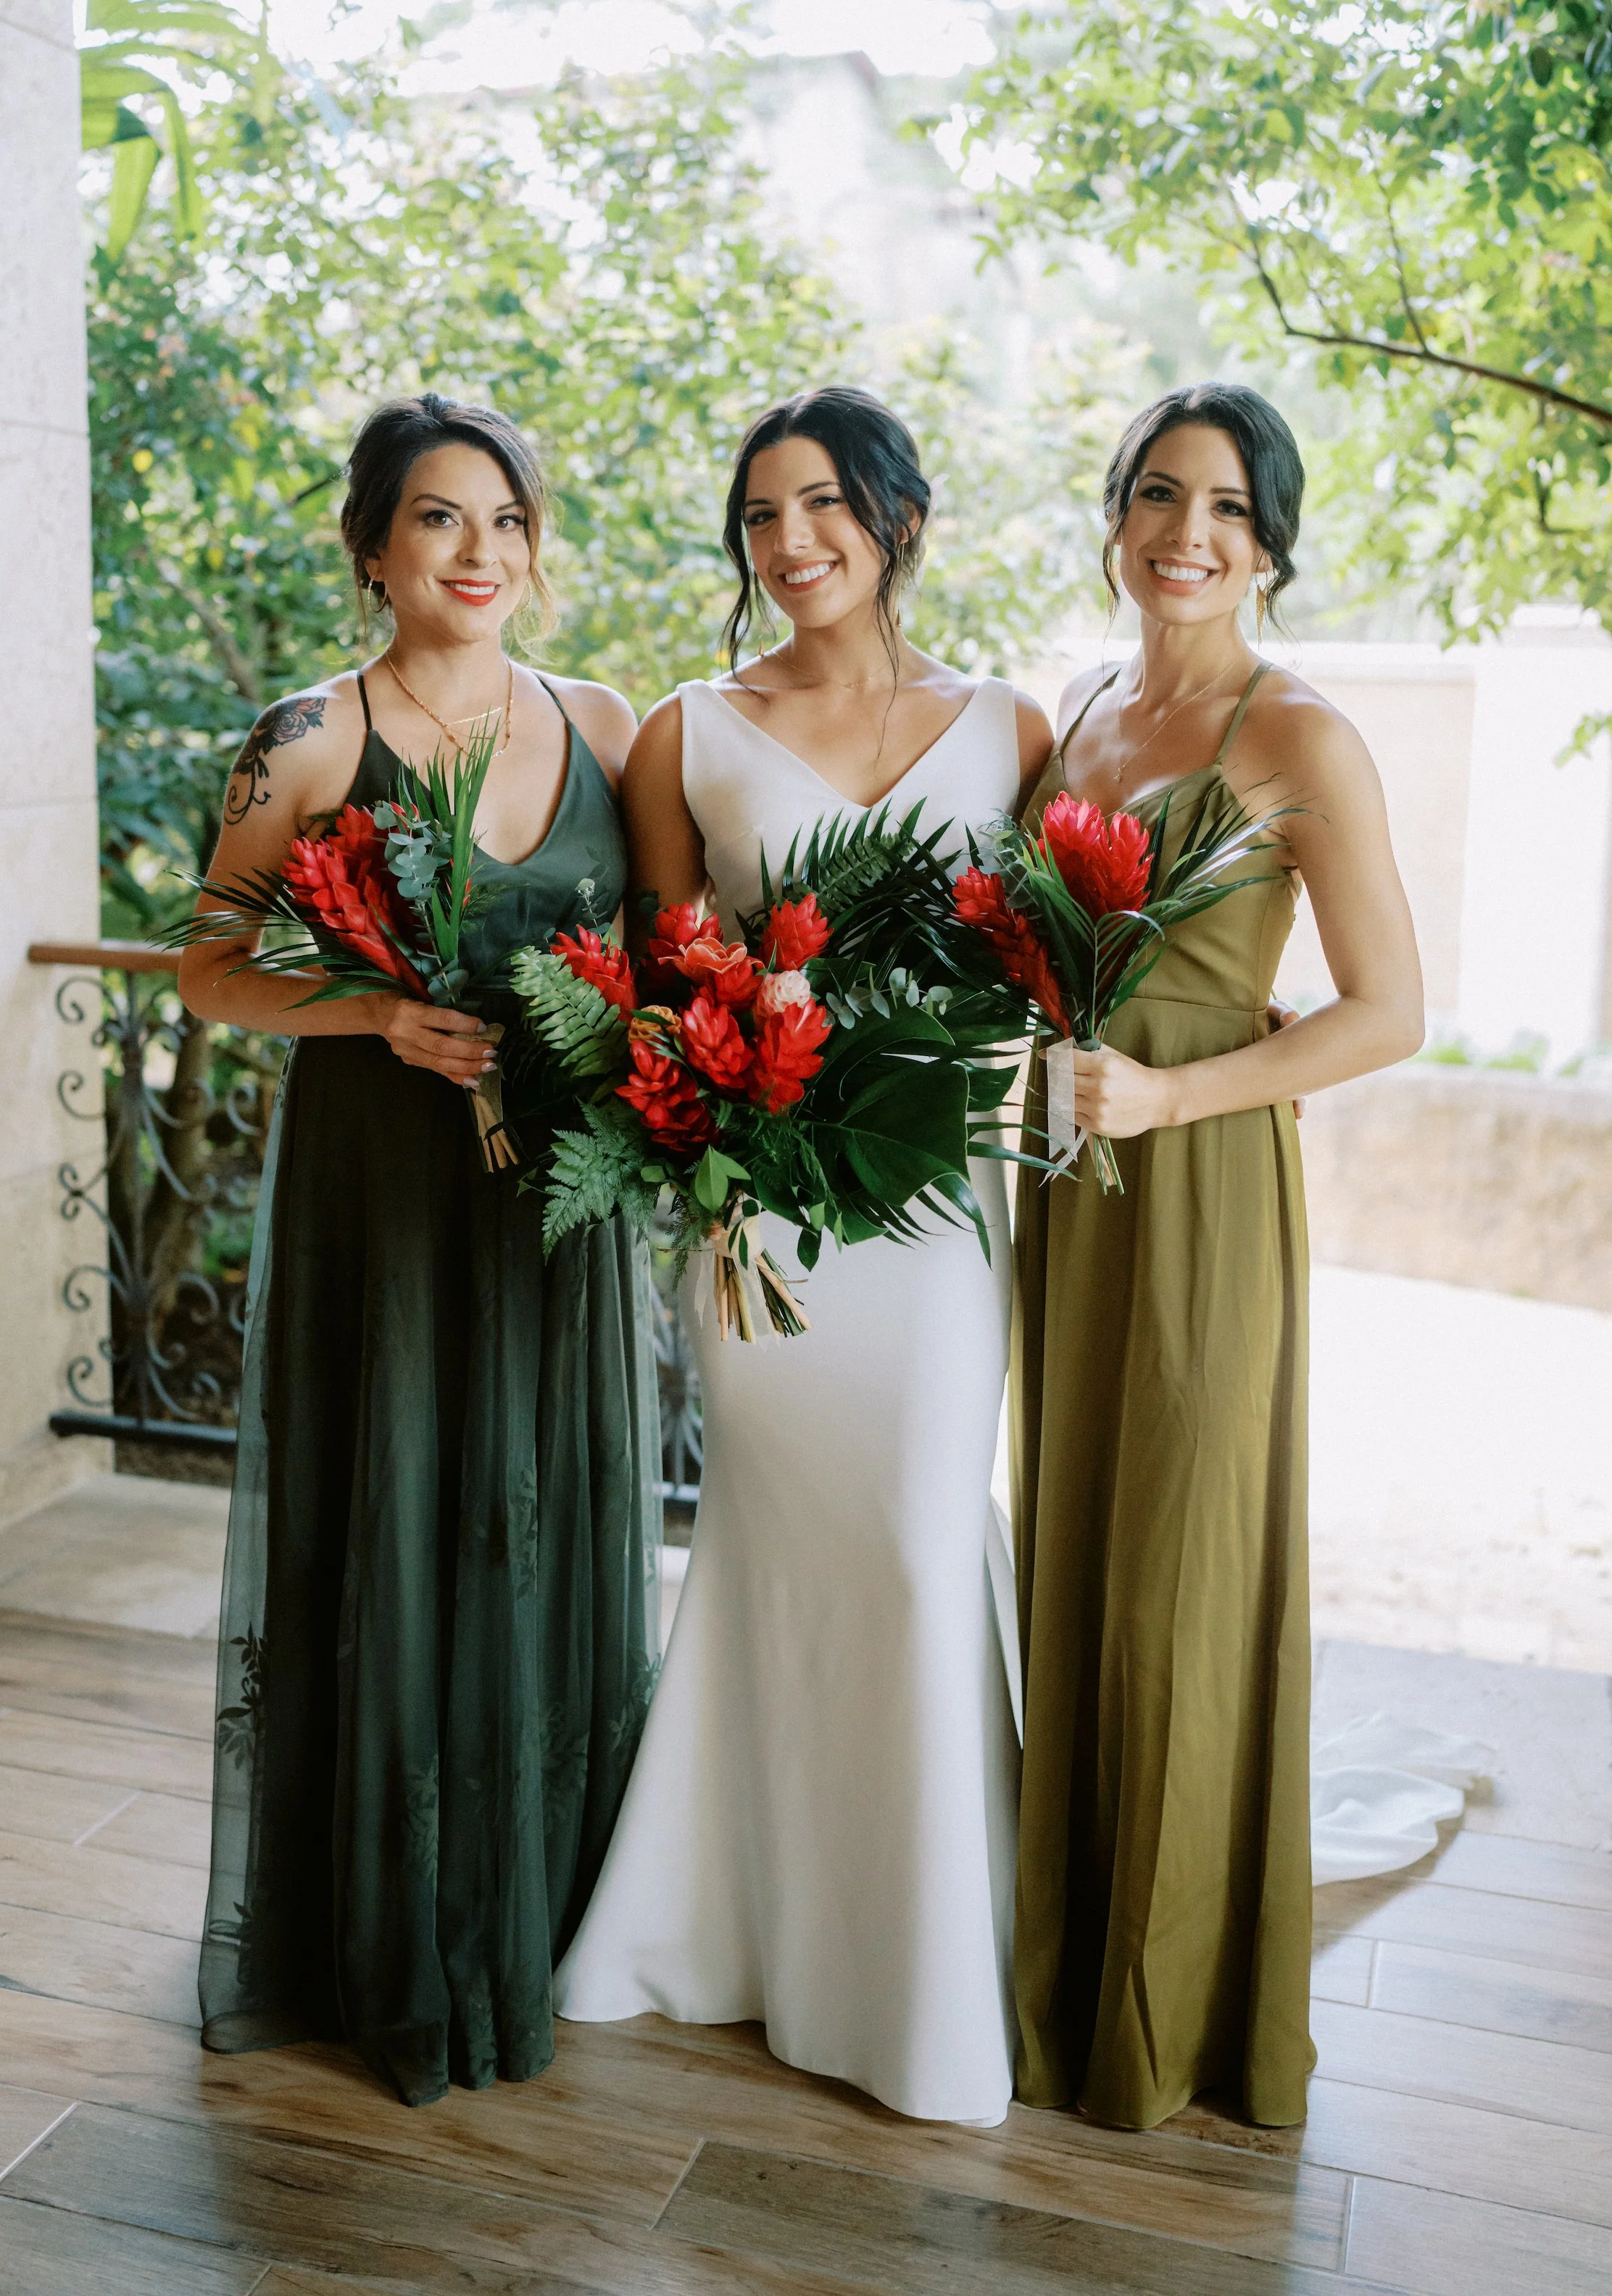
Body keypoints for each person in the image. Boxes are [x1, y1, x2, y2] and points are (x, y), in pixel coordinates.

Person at [554, 386, 1054, 2129]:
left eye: (826, 504)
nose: (791, 543)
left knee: (921, 1553)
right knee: (775, 1556)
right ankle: (734, 1930)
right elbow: (663, 985)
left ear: (899, 518)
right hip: (760, 1225)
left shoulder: (1014, 722)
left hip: (932, 1216)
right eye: (761, 514)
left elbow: (1058, 968)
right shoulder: (685, 731)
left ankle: (923, 1978)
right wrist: (705, 1150)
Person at [180, 391, 661, 2108]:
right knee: (391, 1525)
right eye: (440, 520)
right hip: (381, 1205)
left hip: (554, 1215)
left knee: (541, 1524)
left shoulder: (601, 720)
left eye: (507, 520)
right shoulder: (307, 736)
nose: (480, 553)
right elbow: (213, 971)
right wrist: (375, 1010)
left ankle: (552, 1916)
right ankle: (379, 1934)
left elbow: (666, 959)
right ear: (374, 546)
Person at [1009, 382, 1425, 2132]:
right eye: (1160, 496)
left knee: (1183, 1587)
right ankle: (1055, 1957)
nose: (1191, 534)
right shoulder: (1081, 710)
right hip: (1066, 1193)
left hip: (1196, 1188)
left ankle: (1165, 2019)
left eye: (1231, 510)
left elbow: (1391, 1013)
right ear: (1117, 518)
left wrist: (1175, 1099)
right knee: (1075, 1560)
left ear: (1271, 543)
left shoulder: (1300, 735)